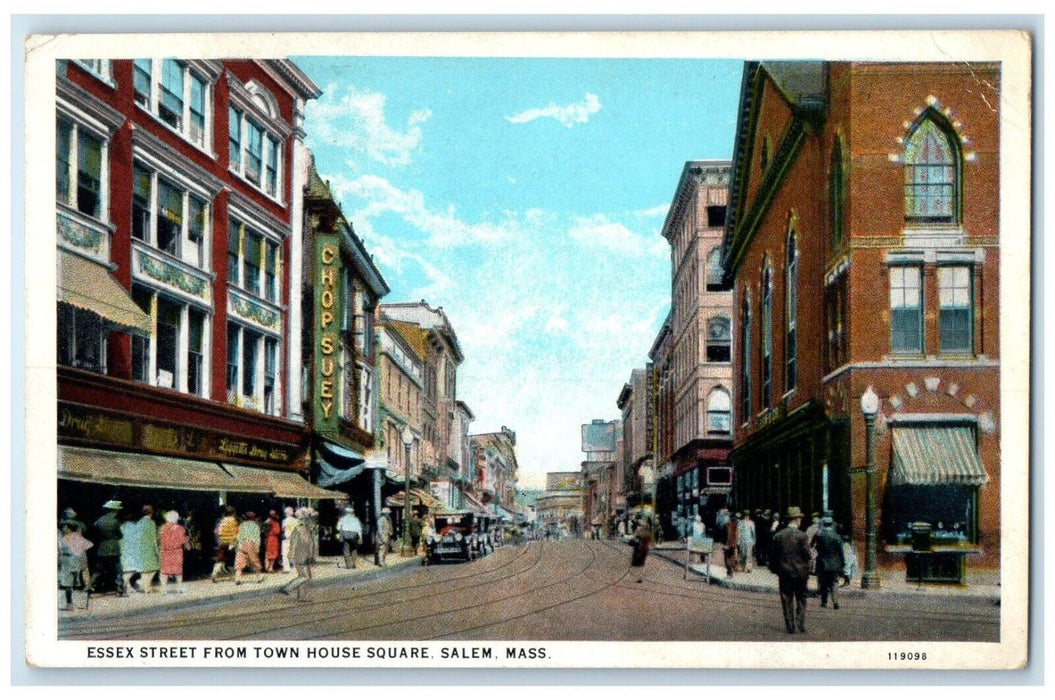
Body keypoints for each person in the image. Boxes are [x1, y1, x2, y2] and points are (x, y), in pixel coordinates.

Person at [769, 506, 812, 634]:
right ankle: (800, 623)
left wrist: (777, 570)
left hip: (785, 573)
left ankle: (790, 626)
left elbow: (773, 556)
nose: (801, 521)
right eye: (800, 519)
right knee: (801, 599)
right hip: (800, 573)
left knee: (786, 599)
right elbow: (807, 555)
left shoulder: (778, 536)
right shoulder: (802, 536)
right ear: (797, 519)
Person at [122, 505, 160, 594]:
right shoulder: (151, 523)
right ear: (152, 512)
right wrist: (156, 550)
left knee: (143, 568)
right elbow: (153, 538)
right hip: (148, 548)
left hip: (139, 548)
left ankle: (143, 586)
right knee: (153, 568)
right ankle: (142, 583)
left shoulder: (139, 523)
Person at [280, 507, 316, 601]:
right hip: (300, 556)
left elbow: (309, 543)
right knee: (305, 576)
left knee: (304, 576)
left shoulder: (305, 528)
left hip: (303, 555)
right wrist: (292, 556)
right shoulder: (300, 527)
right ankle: (288, 588)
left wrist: (311, 555)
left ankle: (302, 597)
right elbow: (295, 542)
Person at [811, 516, 845, 609]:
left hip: (822, 562)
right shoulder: (836, 536)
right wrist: (843, 563)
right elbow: (841, 552)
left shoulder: (819, 534)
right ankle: (835, 602)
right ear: (831, 524)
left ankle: (824, 602)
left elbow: (811, 545)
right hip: (835, 563)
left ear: (823, 524)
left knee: (823, 583)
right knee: (834, 582)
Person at [91, 500, 124, 595]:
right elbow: (120, 535)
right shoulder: (115, 521)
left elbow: (95, 533)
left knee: (98, 570)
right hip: (114, 548)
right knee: (118, 570)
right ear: (114, 510)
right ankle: (119, 589)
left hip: (102, 548)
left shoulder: (99, 521)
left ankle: (89, 587)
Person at [58, 522, 93, 610]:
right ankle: (73, 603)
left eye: (65, 527)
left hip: (70, 563)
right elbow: (88, 546)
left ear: (69, 528)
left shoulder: (65, 538)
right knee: (72, 584)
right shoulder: (74, 537)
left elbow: (62, 551)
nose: (63, 529)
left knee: (70, 585)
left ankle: (70, 604)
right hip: (73, 564)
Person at [158, 510, 189, 594]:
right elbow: (183, 541)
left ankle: (163, 589)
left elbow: (160, 540)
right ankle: (179, 588)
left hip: (165, 552)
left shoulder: (162, 528)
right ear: (176, 518)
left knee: (164, 571)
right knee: (178, 571)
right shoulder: (180, 528)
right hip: (177, 551)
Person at [234, 511, 265, 584]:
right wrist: (258, 547)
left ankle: (238, 578)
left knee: (240, 561)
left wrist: (238, 545)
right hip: (252, 544)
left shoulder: (242, 525)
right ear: (253, 518)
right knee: (254, 561)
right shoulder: (255, 526)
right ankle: (259, 577)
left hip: (242, 544)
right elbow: (257, 537)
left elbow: (239, 536)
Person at [211, 506, 240, 582]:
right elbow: (236, 532)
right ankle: (236, 577)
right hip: (231, 543)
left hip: (222, 542)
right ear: (233, 513)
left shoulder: (221, 521)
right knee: (233, 560)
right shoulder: (234, 521)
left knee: (220, 559)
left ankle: (214, 573)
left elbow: (217, 532)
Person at [629, 515, 653, 582]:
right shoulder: (648, 530)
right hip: (645, 548)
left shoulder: (638, 529)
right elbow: (649, 539)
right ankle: (640, 577)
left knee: (636, 564)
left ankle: (636, 577)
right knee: (642, 563)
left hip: (638, 548)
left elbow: (633, 538)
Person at [723, 512, 740, 577]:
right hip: (734, 545)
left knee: (727, 559)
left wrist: (725, 544)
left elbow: (724, 536)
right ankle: (729, 572)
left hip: (728, 544)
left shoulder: (727, 525)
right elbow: (737, 536)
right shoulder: (737, 526)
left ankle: (730, 571)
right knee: (732, 558)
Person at [281, 506, 298, 571]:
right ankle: (295, 567)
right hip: (294, 538)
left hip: (287, 538)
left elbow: (283, 529)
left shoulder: (285, 521)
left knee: (285, 553)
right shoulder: (296, 520)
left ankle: (286, 568)